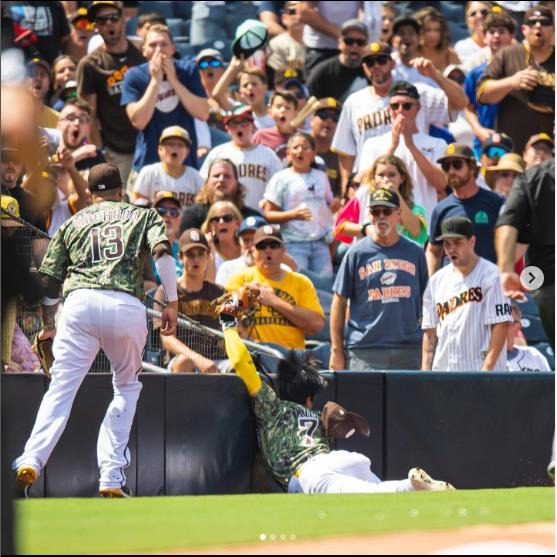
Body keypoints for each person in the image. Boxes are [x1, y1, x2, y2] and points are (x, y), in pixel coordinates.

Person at [12, 162, 178, 498]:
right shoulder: (142, 215)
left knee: (61, 388)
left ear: (89, 194)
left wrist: (48, 325)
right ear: (121, 190)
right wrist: (172, 301)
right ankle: (111, 475)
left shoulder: (73, 222)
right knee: (126, 386)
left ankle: (31, 457)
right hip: (126, 305)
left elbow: (49, 282)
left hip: (79, 305)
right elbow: (161, 253)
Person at [218, 301, 455, 493]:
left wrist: (228, 326)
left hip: (309, 474)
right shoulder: (315, 416)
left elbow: (241, 361)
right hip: (343, 459)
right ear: (309, 398)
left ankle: (410, 486)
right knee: (379, 489)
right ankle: (410, 485)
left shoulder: (272, 407)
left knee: (375, 497)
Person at [330, 189, 428, 371]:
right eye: (376, 211)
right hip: (365, 350)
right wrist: (336, 350)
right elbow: (339, 302)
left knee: (408, 401)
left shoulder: (416, 252)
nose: (381, 217)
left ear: (399, 214)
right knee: (362, 401)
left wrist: (426, 347)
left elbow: (427, 300)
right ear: (370, 215)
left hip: (407, 350)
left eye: (387, 211)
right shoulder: (356, 253)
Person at [422, 216, 511, 372]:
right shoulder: (437, 280)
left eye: (457, 242)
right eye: (447, 243)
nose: (451, 249)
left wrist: (486, 371)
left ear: (472, 241)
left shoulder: (492, 276)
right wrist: (425, 372)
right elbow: (430, 333)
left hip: (480, 373)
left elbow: (501, 325)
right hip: (444, 373)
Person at [121, 24, 209, 173]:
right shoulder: (134, 75)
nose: (158, 49)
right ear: (144, 51)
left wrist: (174, 80)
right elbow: (138, 121)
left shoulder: (188, 70)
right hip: (147, 163)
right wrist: (155, 81)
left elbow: (203, 113)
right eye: (153, 45)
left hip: (185, 164)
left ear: (173, 48)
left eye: (163, 44)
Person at [77, 0, 146, 190]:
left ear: (123, 19)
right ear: (96, 27)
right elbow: (88, 112)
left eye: (113, 18)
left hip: (148, 143)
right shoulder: (90, 64)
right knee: (122, 207)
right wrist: (101, 153)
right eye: (102, 20)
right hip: (116, 151)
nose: (109, 24)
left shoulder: (142, 53)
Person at [357, 81, 447, 223]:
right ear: (388, 109)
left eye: (407, 106)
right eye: (395, 106)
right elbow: (362, 182)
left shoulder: (436, 143)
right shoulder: (373, 143)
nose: (400, 110)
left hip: (423, 224)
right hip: (384, 224)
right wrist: (393, 146)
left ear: (418, 108)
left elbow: (441, 184)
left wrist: (411, 145)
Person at [226, 225, 325, 350]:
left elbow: (316, 325)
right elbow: (226, 318)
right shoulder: (240, 280)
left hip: (292, 361)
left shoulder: (301, 282)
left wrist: (274, 301)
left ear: (283, 250)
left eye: (274, 245)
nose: (268, 250)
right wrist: (249, 341)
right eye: (262, 246)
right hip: (254, 358)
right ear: (253, 251)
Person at [477, 5, 555, 153]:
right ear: (524, 29)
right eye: (532, 23)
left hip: (551, 152)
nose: (538, 27)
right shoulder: (508, 54)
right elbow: (482, 93)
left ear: (553, 29)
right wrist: (512, 82)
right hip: (513, 149)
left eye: (544, 23)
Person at [495, 159, 555, 349]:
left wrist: (505, 270)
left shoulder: (534, 177)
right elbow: (509, 224)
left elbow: (508, 224)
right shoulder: (533, 177)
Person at [262, 132, 337, 274]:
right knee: (297, 287)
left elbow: (329, 205)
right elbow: (268, 214)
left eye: (305, 147)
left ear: (314, 153)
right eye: (295, 147)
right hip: (293, 244)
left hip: (320, 243)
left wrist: (334, 205)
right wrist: (292, 215)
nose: (300, 151)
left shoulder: (321, 177)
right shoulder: (280, 179)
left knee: (325, 287)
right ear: (288, 154)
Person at [153, 228, 225, 374]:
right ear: (180, 257)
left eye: (201, 254)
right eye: (190, 255)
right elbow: (167, 339)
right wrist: (198, 359)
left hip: (217, 361)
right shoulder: (166, 291)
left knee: (239, 366)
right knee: (184, 362)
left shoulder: (220, 293)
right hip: (180, 361)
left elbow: (234, 331)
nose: (196, 259)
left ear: (208, 256)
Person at [427, 144, 504, 276]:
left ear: (472, 167)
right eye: (446, 166)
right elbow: (433, 250)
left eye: (457, 164)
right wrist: (432, 284)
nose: (451, 171)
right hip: (455, 289)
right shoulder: (441, 209)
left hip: (491, 285)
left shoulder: (495, 202)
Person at [199, 106, 283, 211]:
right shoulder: (217, 153)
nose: (239, 128)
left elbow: (280, 187)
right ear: (227, 128)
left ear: (252, 126)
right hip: (224, 218)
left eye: (244, 123)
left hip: (258, 218)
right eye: (234, 124)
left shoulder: (268, 155)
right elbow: (202, 185)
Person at [336, 155, 427, 247]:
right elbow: (340, 227)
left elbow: (416, 232)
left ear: (402, 178)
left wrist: (396, 195)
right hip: (369, 255)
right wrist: (365, 229)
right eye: (381, 175)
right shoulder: (364, 194)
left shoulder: (413, 200)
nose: (386, 179)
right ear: (374, 177)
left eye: (392, 175)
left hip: (400, 257)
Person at [179, 159, 262, 233]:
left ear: (237, 183)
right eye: (216, 176)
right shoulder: (192, 216)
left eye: (227, 176)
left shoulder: (251, 218)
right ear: (207, 182)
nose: (221, 179)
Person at [132, 126, 203, 209]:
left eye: (180, 145)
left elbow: (201, 207)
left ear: (187, 152)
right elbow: (136, 203)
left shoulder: (196, 177)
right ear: (160, 149)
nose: (175, 147)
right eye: (170, 144)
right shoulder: (149, 172)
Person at [306, 19, 370, 102]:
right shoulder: (322, 73)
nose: (355, 46)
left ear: (366, 45)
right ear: (339, 43)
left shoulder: (372, 70)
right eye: (349, 41)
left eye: (360, 42)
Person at [252, 90, 299, 162]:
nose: (283, 110)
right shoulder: (260, 136)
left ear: (296, 113)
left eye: (288, 108)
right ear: (270, 112)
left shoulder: (302, 138)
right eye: (278, 106)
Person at [201, 200, 243, 281]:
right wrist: (211, 255)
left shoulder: (248, 249)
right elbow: (209, 286)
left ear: (237, 224)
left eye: (227, 218)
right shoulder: (206, 253)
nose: (221, 222)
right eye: (216, 219)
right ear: (210, 226)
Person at [506, 303, 552, 372]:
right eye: (497, 322)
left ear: (518, 327)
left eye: (507, 323)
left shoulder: (534, 355)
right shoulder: (485, 360)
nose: (501, 328)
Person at [414, 7, 460, 73]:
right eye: (428, 30)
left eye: (437, 30)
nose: (433, 35)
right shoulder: (411, 53)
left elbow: (459, 81)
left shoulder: (449, 54)